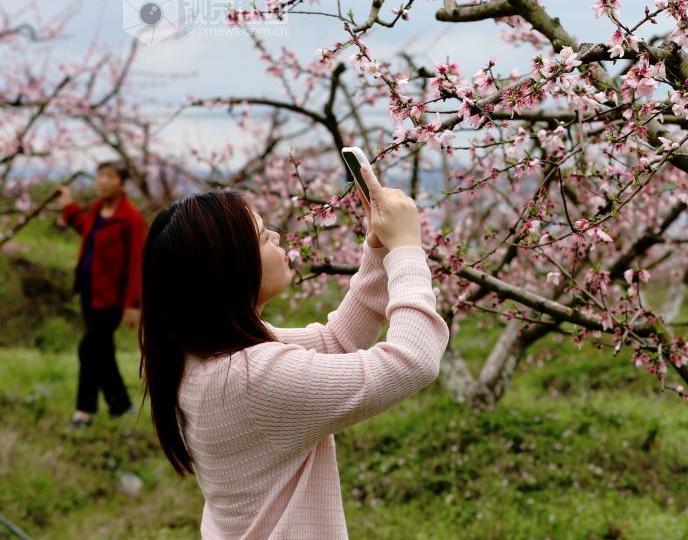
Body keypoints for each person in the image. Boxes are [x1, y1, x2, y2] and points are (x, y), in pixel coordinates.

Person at [138, 164, 449, 540]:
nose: (278, 235)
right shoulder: (251, 376)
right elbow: (412, 361)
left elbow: (337, 342)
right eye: (262, 236)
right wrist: (407, 251)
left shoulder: (206, 354)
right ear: (230, 268)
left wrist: (378, 250)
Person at [56, 160, 147, 429]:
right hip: (88, 292)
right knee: (102, 351)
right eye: (99, 176)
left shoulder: (131, 218)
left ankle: (83, 412)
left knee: (89, 349)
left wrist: (134, 303)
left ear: (121, 182)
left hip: (110, 300)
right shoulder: (97, 209)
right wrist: (68, 207)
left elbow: (136, 264)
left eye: (109, 176)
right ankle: (121, 406)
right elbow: (87, 230)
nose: (102, 181)